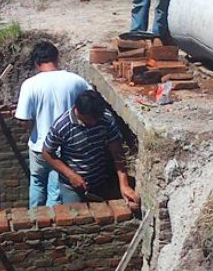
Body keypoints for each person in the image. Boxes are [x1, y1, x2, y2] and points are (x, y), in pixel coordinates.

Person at [15, 42, 90, 208]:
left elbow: (23, 120)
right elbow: (91, 105)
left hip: (38, 146)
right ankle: (51, 225)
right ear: (57, 58)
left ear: (36, 62)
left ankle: (34, 220)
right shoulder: (76, 81)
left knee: (37, 183)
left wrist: (35, 126)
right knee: (55, 191)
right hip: (64, 149)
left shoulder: (30, 85)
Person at [42, 90, 141, 208]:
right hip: (72, 187)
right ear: (78, 111)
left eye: (96, 119)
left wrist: (124, 184)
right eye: (90, 119)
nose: (94, 123)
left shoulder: (105, 119)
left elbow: (117, 151)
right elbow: (47, 152)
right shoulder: (62, 126)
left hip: (101, 180)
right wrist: (71, 175)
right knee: (76, 218)